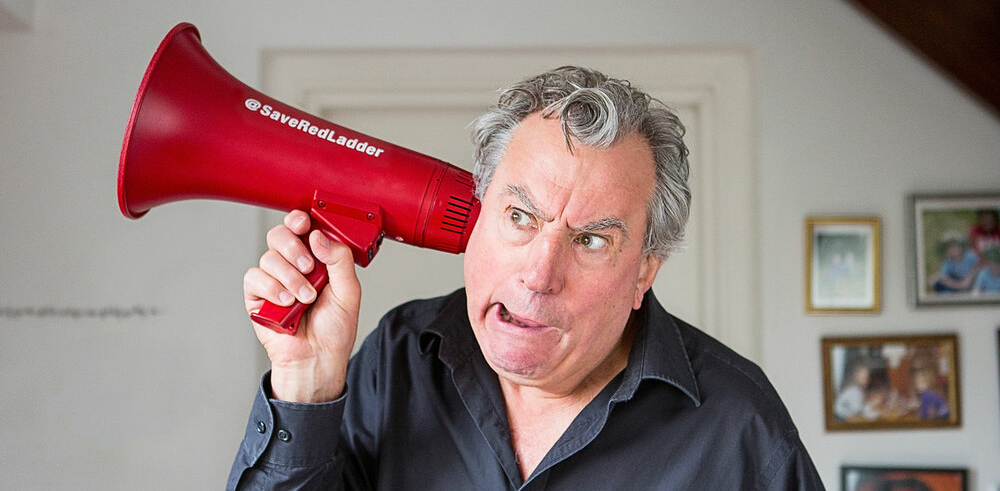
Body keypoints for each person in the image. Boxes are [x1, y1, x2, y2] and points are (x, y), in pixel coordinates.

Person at [227, 66, 823, 489]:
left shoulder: (742, 427)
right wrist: (304, 384)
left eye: (591, 240)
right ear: (476, 218)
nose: (540, 274)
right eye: (519, 217)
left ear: (645, 270)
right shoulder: (399, 358)